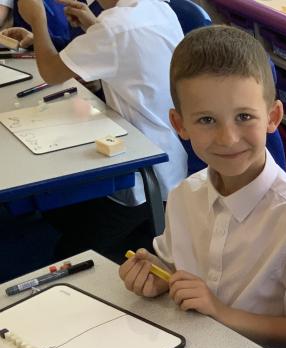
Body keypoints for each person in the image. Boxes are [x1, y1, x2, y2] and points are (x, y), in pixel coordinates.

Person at [118, 25, 286, 348]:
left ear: (272, 117)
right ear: (180, 125)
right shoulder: (183, 197)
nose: (227, 138)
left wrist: (221, 312)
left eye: (244, 117)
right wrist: (157, 277)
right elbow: (172, 265)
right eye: (207, 120)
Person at [11, 0, 187, 259]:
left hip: (137, 174)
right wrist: (93, 27)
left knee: (68, 252)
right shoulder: (158, 8)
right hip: (170, 162)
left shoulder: (114, 27)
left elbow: (51, 73)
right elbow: (128, 52)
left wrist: (38, 21)